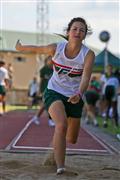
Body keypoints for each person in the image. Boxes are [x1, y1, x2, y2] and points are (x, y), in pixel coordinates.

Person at [16, 17, 95, 175]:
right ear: (68, 32)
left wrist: (79, 93)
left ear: (85, 35)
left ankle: (57, 144)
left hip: (75, 96)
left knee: (71, 139)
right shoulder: (56, 48)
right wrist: (21, 48)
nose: (78, 32)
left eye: (82, 30)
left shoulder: (88, 54)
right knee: (61, 124)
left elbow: (86, 77)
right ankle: (60, 167)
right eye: (75, 29)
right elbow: (38, 48)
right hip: (54, 91)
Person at [31, 55, 55, 127]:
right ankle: (50, 120)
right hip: (45, 89)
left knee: (47, 105)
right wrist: (39, 90)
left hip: (53, 89)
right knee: (47, 104)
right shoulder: (43, 69)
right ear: (47, 60)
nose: (51, 60)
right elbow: (41, 81)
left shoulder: (54, 69)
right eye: (50, 59)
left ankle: (36, 117)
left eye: (52, 59)